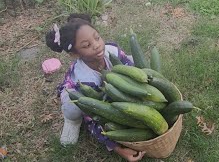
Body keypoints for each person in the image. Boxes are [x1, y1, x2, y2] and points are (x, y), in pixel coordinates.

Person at [45, 13, 146, 162]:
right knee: (73, 107)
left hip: (108, 84)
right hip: (76, 92)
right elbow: (94, 117)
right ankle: (72, 121)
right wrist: (116, 147)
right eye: (86, 45)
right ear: (74, 54)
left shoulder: (111, 50)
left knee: (132, 61)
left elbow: (131, 70)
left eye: (97, 37)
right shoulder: (84, 81)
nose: (97, 45)